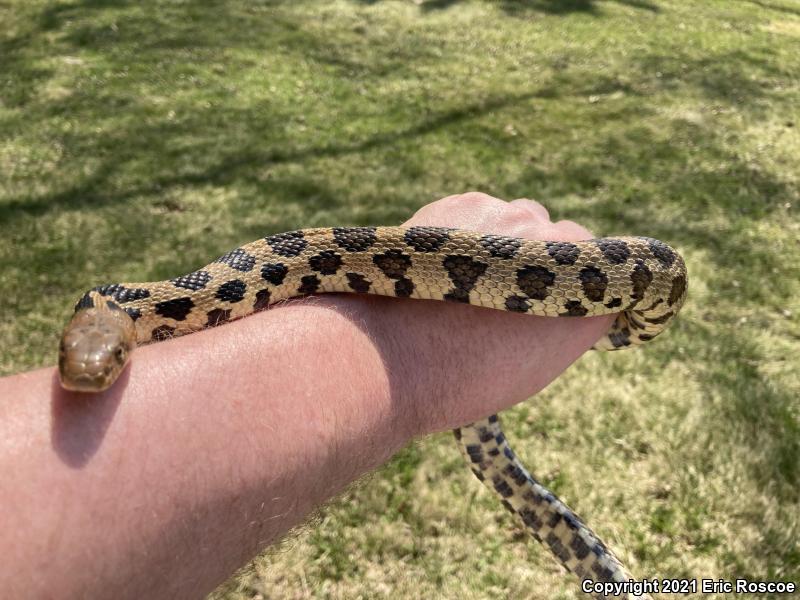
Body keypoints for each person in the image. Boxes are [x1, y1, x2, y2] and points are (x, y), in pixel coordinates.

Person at [0, 193, 613, 599]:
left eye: (107, 361)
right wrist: (403, 358)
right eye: (77, 362)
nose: (86, 376)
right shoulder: (121, 318)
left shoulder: (145, 306)